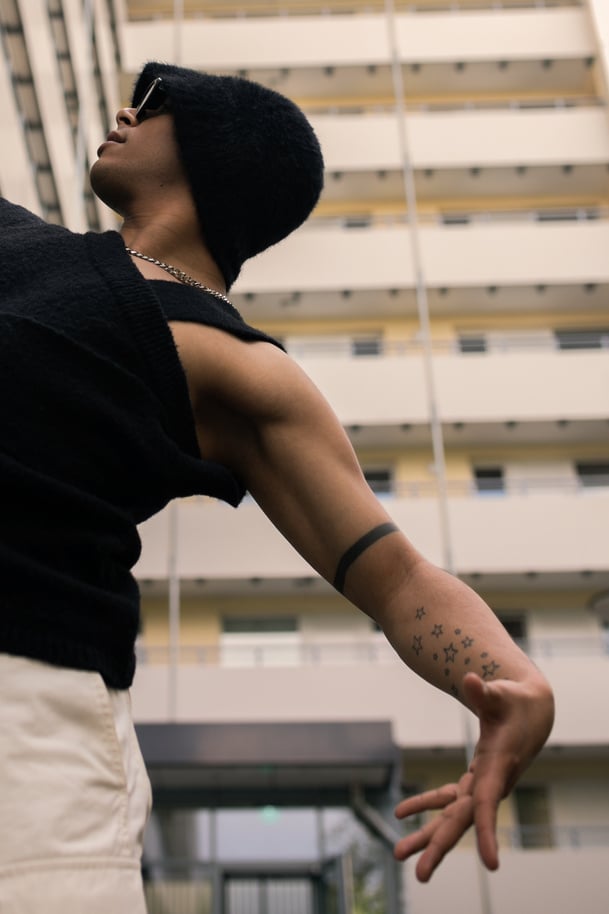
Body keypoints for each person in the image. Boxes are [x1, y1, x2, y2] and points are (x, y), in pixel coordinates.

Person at [0, 61, 554, 912]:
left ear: (217, 150)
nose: (123, 111)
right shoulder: (19, 241)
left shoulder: (237, 362)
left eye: (153, 105)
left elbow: (396, 575)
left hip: (29, 715)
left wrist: (513, 679)